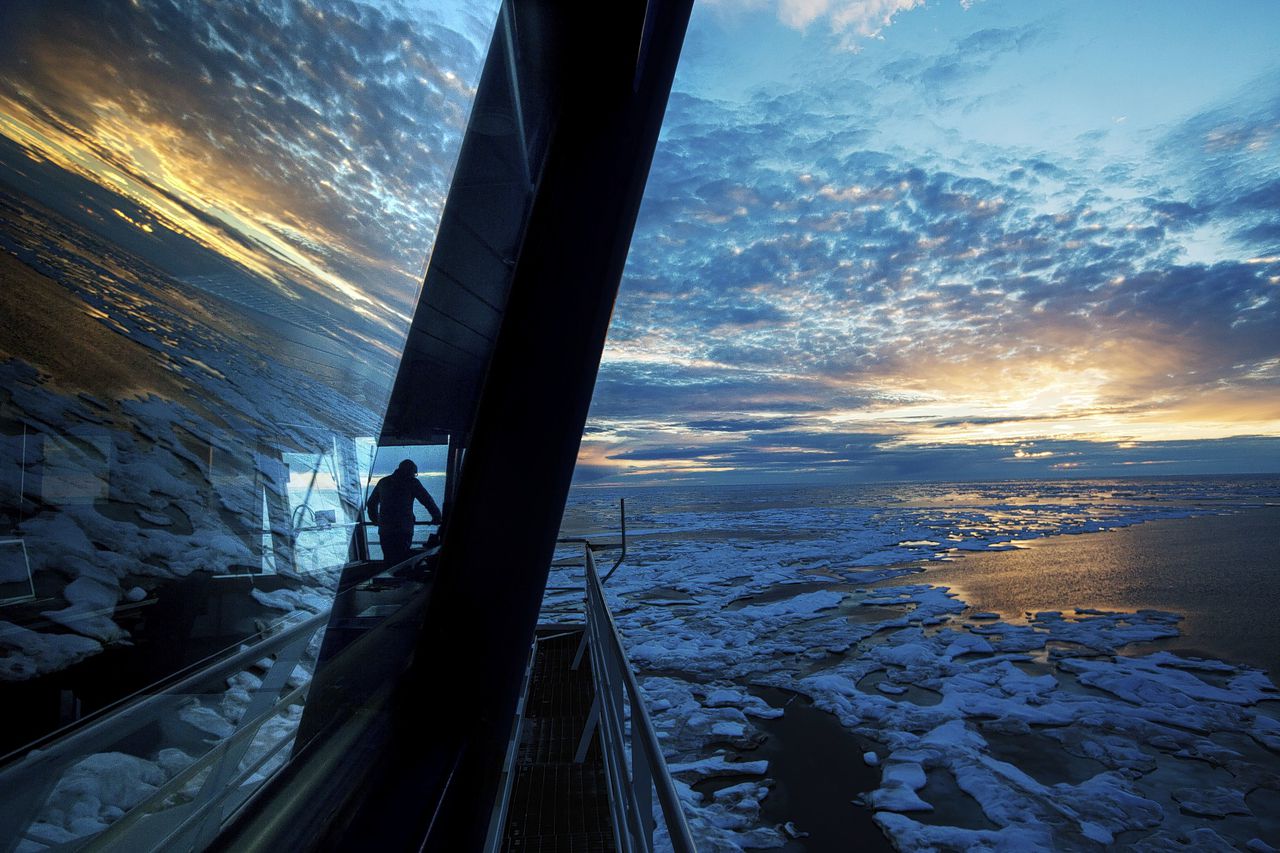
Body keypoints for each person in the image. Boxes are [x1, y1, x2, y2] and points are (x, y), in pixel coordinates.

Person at [366, 459, 442, 567]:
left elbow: (371, 503)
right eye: (415, 473)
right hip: (403, 528)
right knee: (402, 561)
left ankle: (388, 581)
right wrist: (437, 516)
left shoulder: (383, 482)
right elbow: (427, 500)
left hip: (385, 529)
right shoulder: (411, 482)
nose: (415, 476)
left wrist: (376, 520)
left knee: (388, 559)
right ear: (411, 471)